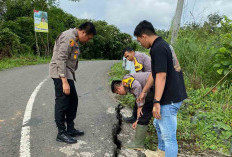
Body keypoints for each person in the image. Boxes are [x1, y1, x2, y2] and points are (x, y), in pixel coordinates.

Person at [134, 20, 187, 157]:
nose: (141, 44)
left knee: (169, 138)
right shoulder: (163, 45)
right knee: (158, 124)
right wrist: (144, 91)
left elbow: (161, 76)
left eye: (140, 41)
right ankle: (161, 153)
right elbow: (155, 73)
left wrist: (156, 102)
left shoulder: (158, 48)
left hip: (169, 98)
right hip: (173, 94)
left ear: (144, 36)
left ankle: (165, 152)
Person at [49, 22, 96, 144]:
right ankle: (61, 133)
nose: (88, 40)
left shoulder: (74, 38)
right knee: (62, 102)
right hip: (60, 73)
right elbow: (61, 59)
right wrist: (64, 81)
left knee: (73, 101)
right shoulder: (68, 36)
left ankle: (70, 129)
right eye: (88, 37)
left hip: (67, 73)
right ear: (83, 32)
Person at [111, 72, 154, 150]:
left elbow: (138, 86)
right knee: (143, 110)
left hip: (153, 87)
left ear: (119, 88)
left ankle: (138, 144)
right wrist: (137, 119)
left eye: (118, 92)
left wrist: (140, 106)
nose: (119, 94)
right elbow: (138, 96)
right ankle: (139, 141)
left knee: (144, 111)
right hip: (153, 88)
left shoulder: (125, 80)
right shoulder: (129, 88)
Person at [122, 47, 151, 124]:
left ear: (132, 52)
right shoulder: (138, 56)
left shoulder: (137, 57)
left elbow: (139, 76)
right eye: (126, 58)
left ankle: (139, 119)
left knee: (139, 95)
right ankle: (135, 117)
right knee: (137, 94)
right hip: (150, 78)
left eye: (128, 56)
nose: (127, 59)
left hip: (151, 79)